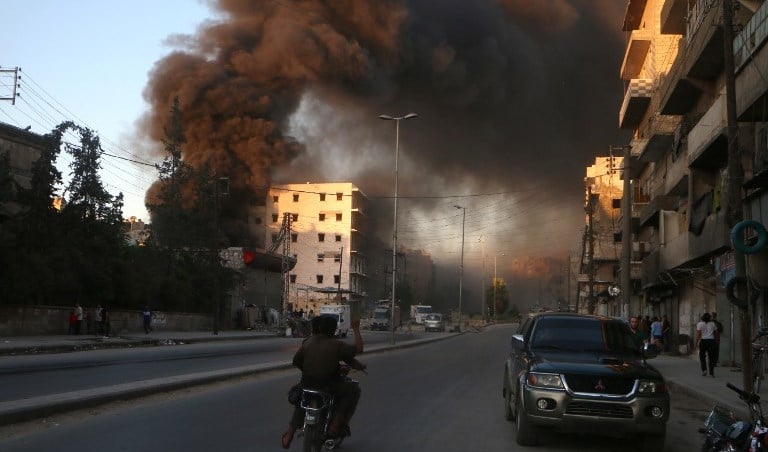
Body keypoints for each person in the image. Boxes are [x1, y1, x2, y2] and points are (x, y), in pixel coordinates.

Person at [281, 315, 366, 449]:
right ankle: (335, 425)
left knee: (302, 398)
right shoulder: (337, 345)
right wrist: (356, 328)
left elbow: (296, 361)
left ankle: (289, 434)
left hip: (307, 383)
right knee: (353, 390)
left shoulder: (308, 341)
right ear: (334, 330)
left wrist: (309, 370)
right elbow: (359, 350)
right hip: (328, 386)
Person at [696, 312, 718, 377]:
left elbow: (698, 334)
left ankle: (704, 370)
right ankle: (711, 372)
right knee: (711, 357)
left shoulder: (699, 324)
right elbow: (716, 334)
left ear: (702, 318)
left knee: (702, 356)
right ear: (710, 318)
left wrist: (696, 342)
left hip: (703, 341)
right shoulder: (713, 324)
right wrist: (717, 341)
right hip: (711, 341)